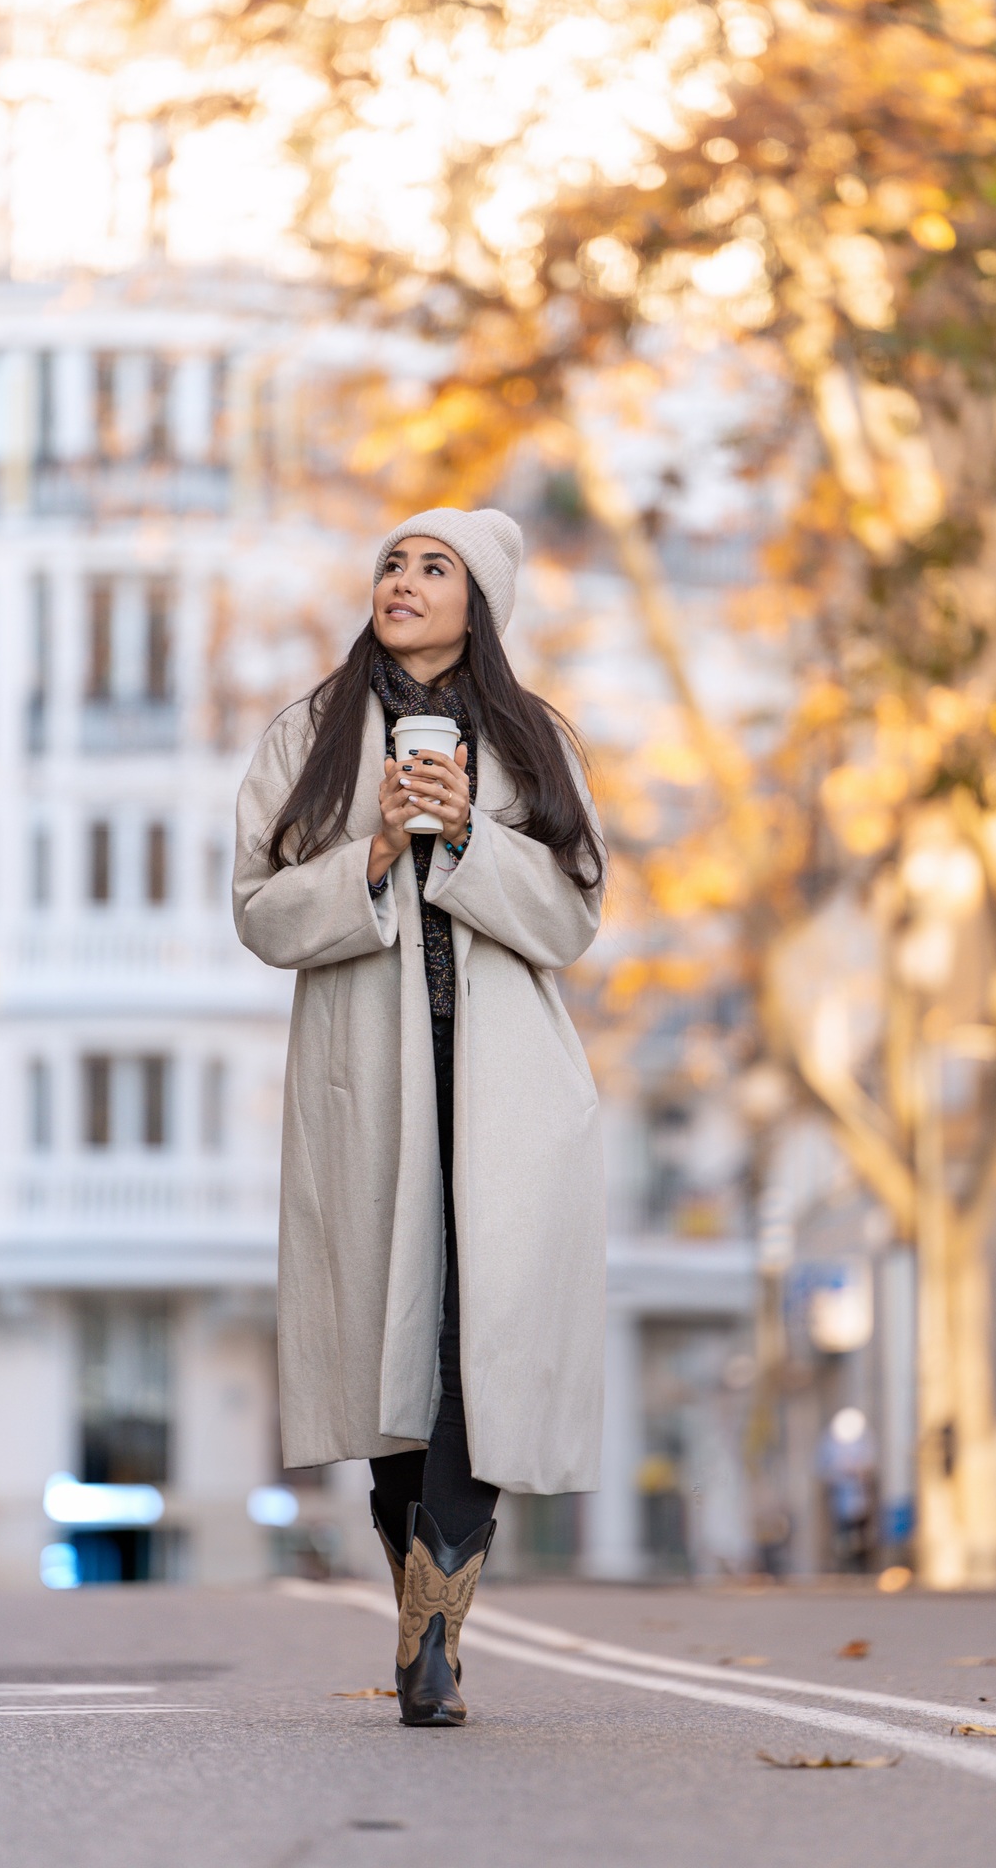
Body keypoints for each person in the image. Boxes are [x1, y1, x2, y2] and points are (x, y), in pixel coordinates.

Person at [233, 508, 607, 1727]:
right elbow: (259, 909)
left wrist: (471, 835)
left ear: (479, 599)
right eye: (391, 560)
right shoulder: (309, 729)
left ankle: (432, 1643)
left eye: (431, 566)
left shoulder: (532, 737)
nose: (401, 579)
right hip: (368, 1089)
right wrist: (381, 846)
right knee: (399, 1352)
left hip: (507, 1095)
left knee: (477, 1341)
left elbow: (572, 918)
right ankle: (421, 1614)